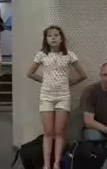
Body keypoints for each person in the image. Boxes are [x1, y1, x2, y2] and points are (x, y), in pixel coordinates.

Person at [27, 26, 87, 169]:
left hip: (63, 96)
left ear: (61, 38)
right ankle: (46, 164)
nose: (53, 38)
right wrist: (44, 81)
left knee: (59, 132)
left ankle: (56, 163)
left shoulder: (69, 55)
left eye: (56, 35)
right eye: (50, 36)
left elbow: (83, 75)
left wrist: (71, 82)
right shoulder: (42, 55)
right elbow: (30, 73)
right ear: (46, 39)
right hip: (46, 96)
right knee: (48, 132)